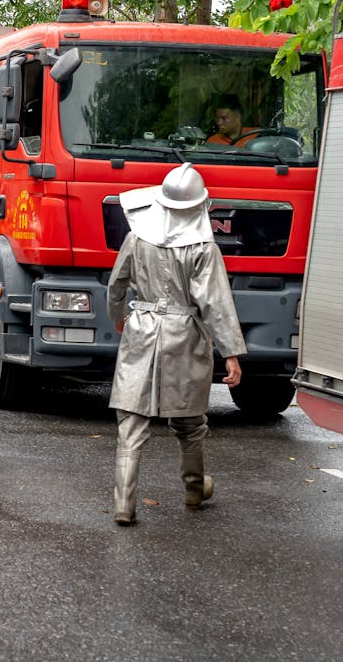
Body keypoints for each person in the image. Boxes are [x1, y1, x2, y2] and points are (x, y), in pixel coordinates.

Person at [106, 162, 245, 526]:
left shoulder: (137, 236)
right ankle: (194, 490)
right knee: (189, 422)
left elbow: (116, 284)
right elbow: (215, 303)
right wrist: (230, 353)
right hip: (185, 334)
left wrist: (119, 316)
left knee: (131, 421)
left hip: (141, 328)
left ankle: (124, 504)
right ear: (201, 205)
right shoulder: (204, 247)